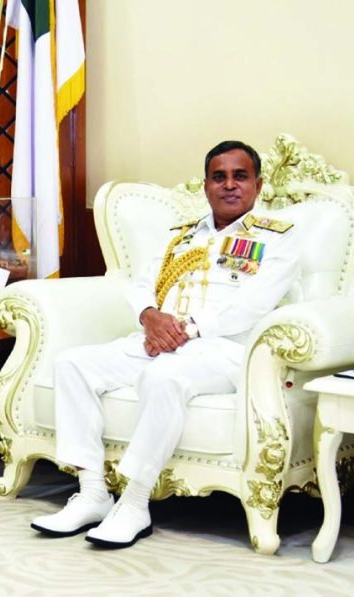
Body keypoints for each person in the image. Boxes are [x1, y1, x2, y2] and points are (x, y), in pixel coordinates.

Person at [30, 140, 301, 548]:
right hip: (159, 339)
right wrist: (150, 317)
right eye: (219, 177)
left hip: (226, 352)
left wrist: (184, 330)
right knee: (72, 364)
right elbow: (141, 284)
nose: (229, 185)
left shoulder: (280, 239)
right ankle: (92, 494)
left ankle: (135, 504)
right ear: (206, 185)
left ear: (258, 185)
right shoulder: (181, 235)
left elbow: (252, 305)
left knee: (164, 376)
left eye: (240, 176)